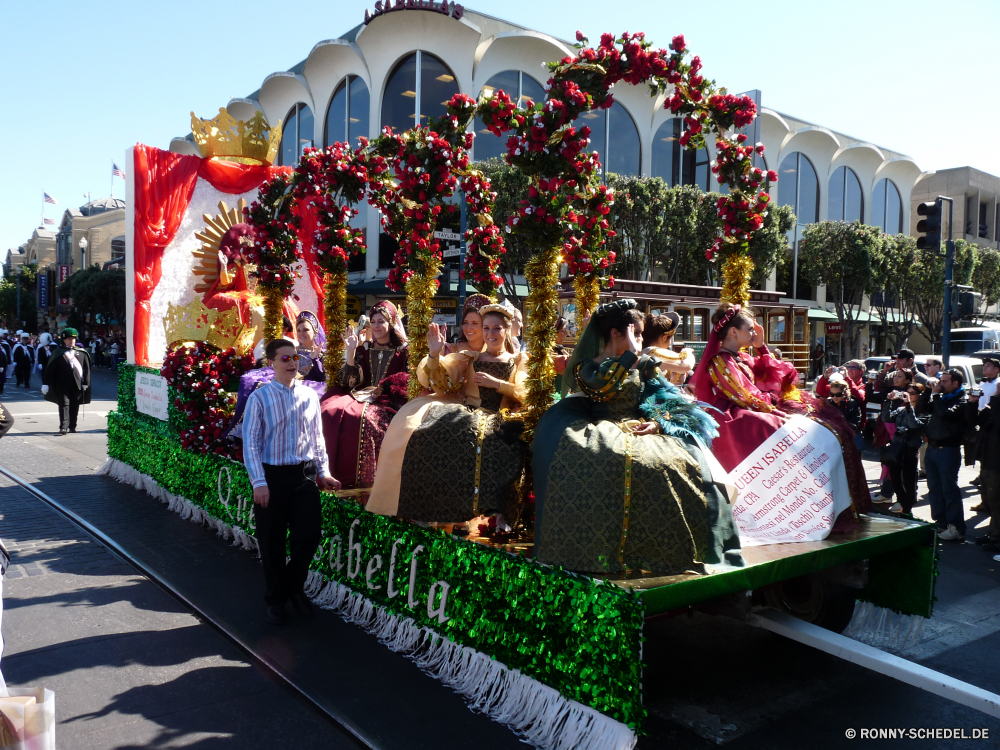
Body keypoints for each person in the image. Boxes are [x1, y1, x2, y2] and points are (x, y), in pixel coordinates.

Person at [533, 300, 742, 574]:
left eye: (641, 335)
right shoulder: (586, 367)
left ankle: (675, 550)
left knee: (677, 464)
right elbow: (602, 386)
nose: (642, 340)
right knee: (612, 463)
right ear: (616, 333)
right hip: (600, 427)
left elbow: (660, 394)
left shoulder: (644, 363)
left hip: (642, 426)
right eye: (638, 333)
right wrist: (629, 355)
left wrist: (657, 422)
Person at [690, 303, 870, 519]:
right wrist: (778, 412)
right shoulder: (720, 361)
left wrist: (761, 346)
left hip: (756, 408)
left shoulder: (742, 357)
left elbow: (774, 375)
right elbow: (746, 397)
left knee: (823, 425)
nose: (753, 332)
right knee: (790, 429)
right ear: (733, 332)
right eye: (750, 329)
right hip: (737, 418)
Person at [366, 304, 528, 522]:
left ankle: (497, 511)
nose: (491, 334)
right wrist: (434, 353)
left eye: (496, 328)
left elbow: (525, 391)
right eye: (487, 328)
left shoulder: (518, 360)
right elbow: (442, 380)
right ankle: (426, 507)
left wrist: (498, 384)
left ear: (507, 330)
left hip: (500, 416)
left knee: (493, 440)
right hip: (469, 412)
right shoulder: (470, 358)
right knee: (428, 431)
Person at [243, 338, 341, 625]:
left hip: (304, 475)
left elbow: (317, 438)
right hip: (272, 477)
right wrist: (259, 482)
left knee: (308, 536)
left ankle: (293, 588)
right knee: (272, 541)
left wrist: (323, 472)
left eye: (295, 357)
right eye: (284, 358)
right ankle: (276, 598)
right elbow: (250, 443)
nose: (292, 363)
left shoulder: (310, 396)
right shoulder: (259, 398)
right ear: (271, 363)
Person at [320, 301, 410, 491]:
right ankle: (328, 473)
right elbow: (349, 382)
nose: (376, 326)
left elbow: (407, 382)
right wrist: (351, 351)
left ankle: (367, 481)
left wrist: (386, 390)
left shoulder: (403, 352)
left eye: (381, 321)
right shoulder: (364, 349)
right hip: (359, 395)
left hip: (388, 402)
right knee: (329, 410)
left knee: (364, 419)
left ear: (391, 323)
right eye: (374, 322)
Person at [921, 369, 970, 542]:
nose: (941, 384)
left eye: (945, 382)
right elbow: (921, 408)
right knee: (934, 489)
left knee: (949, 490)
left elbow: (945, 414)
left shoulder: (962, 400)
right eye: (940, 381)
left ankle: (956, 527)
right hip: (932, 448)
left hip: (948, 450)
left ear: (955, 383)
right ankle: (941, 523)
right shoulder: (939, 398)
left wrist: (935, 396)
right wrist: (928, 391)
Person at [882, 381, 928, 514]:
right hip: (897, 448)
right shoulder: (901, 409)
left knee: (908, 482)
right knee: (896, 480)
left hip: (910, 449)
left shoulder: (924, 411)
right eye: (908, 393)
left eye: (913, 393)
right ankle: (902, 503)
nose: (910, 396)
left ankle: (908, 510)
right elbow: (886, 418)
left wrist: (909, 407)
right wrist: (888, 401)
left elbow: (914, 424)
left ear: (920, 395)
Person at [41, 328, 91, 435]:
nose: (72, 341)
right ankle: (63, 427)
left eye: (73, 339)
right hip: (62, 384)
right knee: (64, 404)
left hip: (77, 384)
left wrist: (86, 382)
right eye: (69, 339)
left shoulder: (81, 353)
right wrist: (45, 383)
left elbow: (86, 369)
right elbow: (50, 369)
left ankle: (72, 426)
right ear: (64, 340)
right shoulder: (58, 353)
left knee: (75, 405)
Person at [971, 386, 1000, 552]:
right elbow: (974, 420)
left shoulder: (996, 405)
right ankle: (993, 534)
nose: (997, 389)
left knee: (996, 500)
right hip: (988, 459)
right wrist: (973, 403)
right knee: (989, 499)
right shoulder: (994, 405)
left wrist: (996, 399)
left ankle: (996, 537)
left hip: (997, 462)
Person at [641, 312, 695, 385]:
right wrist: (687, 352)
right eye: (671, 339)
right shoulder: (651, 351)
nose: (670, 343)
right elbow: (686, 365)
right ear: (664, 338)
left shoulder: (646, 351)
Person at [294, 311, 326, 382]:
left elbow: (323, 380)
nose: (301, 334)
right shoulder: (291, 352)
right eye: (298, 330)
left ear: (315, 331)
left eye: (305, 330)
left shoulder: (322, 354)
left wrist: (315, 359)